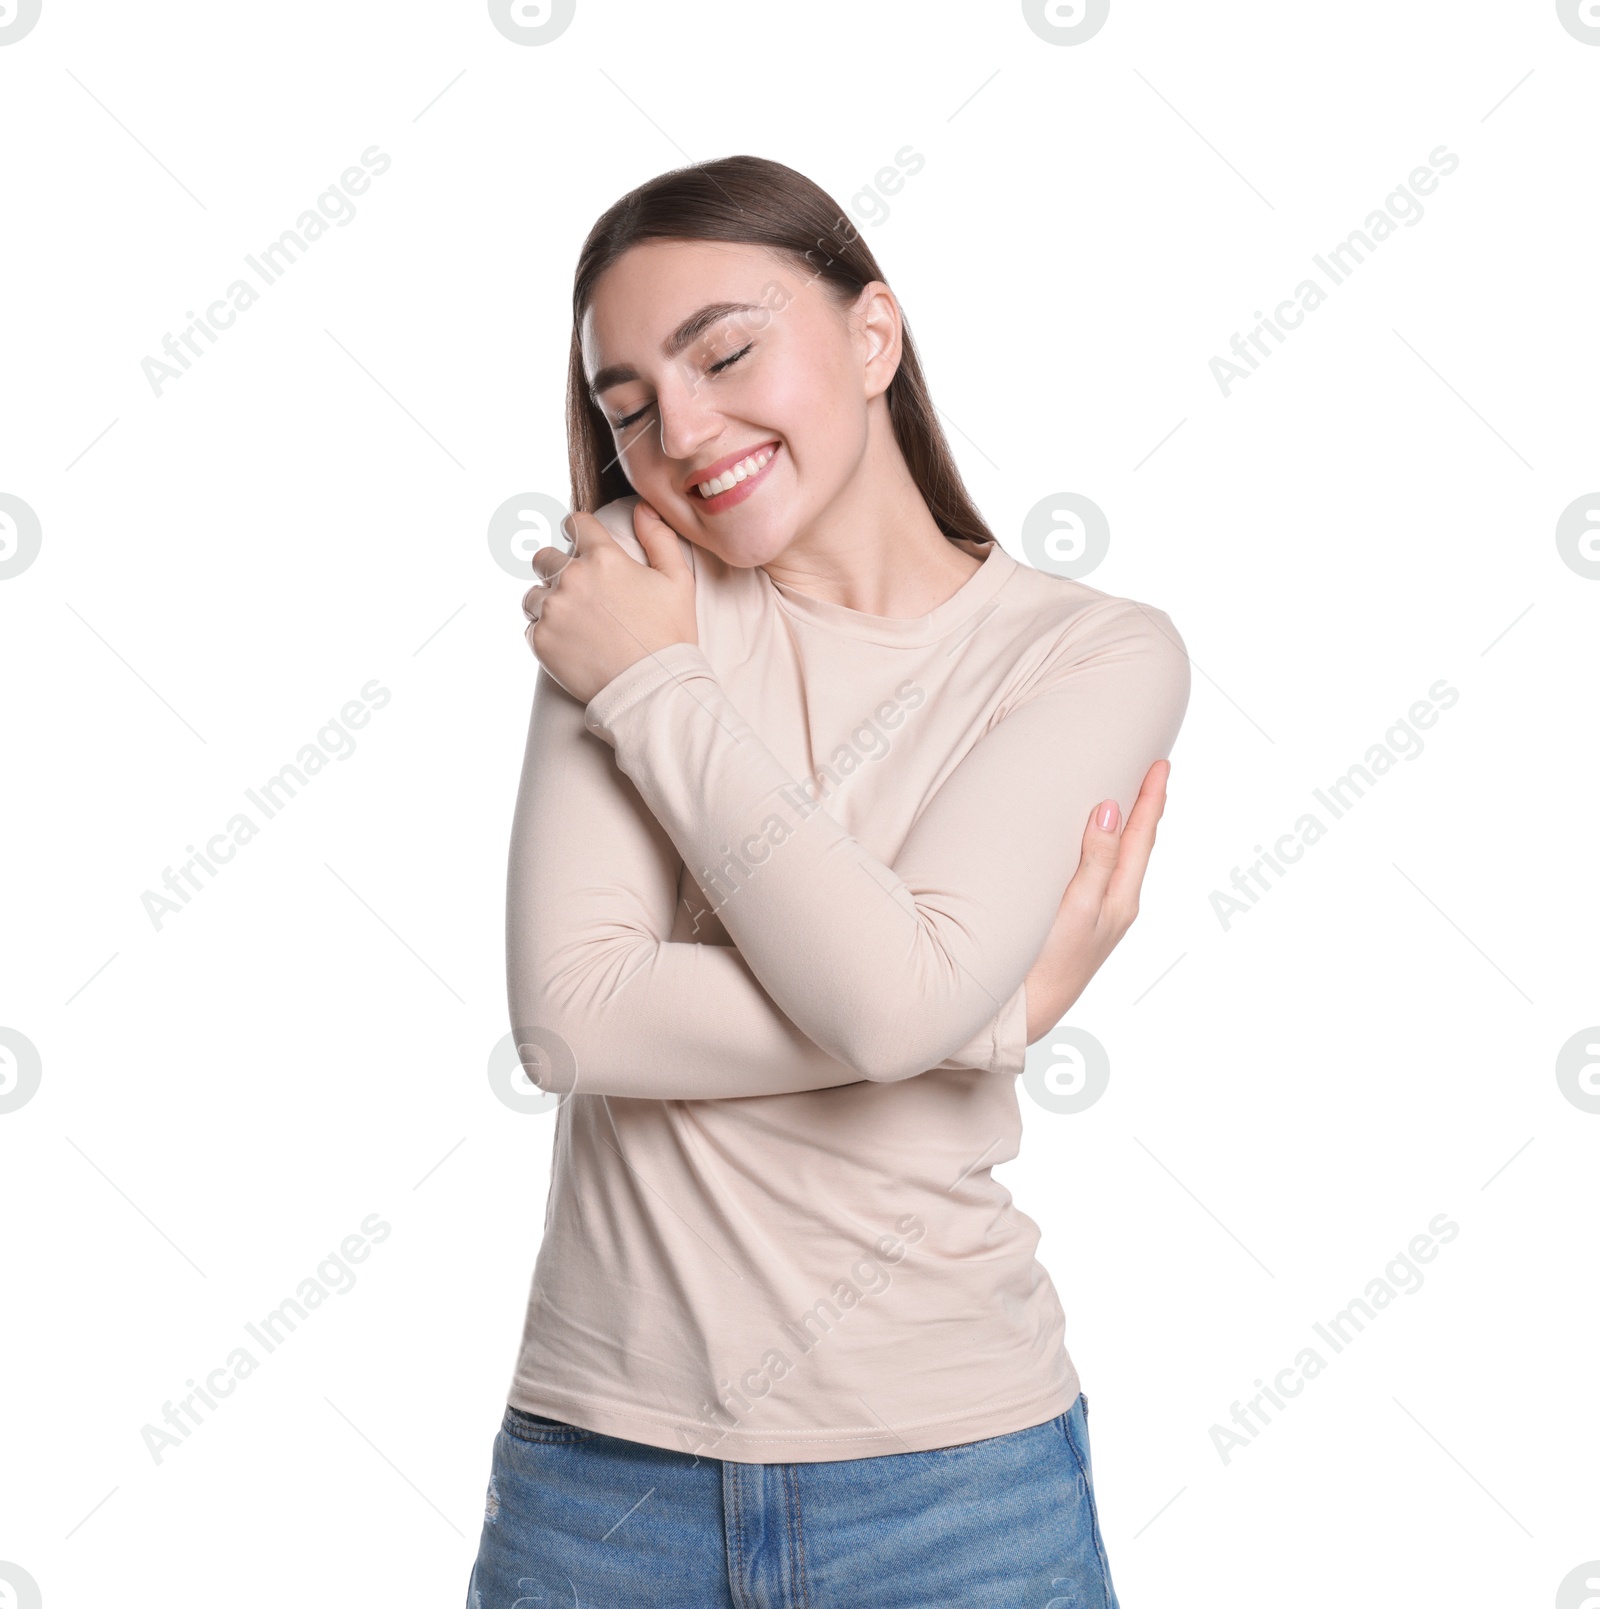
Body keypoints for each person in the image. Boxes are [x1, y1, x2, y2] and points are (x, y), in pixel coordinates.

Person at [466, 154, 1191, 1608]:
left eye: (725, 350)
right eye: (628, 408)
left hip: (956, 1482)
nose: (680, 430)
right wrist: (977, 1010)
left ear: (874, 335)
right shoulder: (622, 583)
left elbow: (887, 999)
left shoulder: (1091, 653)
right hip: (605, 1478)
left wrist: (657, 687)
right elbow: (574, 1012)